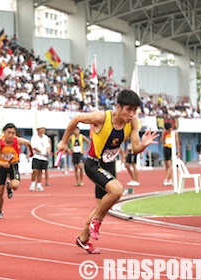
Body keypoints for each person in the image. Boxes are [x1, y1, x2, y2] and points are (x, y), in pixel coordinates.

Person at [57, 89, 159, 254]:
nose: (132, 114)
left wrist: (143, 145)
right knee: (117, 190)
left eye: (135, 110)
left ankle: (83, 238)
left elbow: (135, 148)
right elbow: (76, 118)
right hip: (93, 164)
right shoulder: (102, 117)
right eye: (128, 110)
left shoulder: (132, 123)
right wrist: (63, 142)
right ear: (118, 107)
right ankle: (96, 222)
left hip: (109, 165)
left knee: (101, 206)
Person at [0, 123, 33, 219]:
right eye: (9, 133)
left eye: (13, 133)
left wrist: (31, 152)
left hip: (13, 165)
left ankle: (9, 186)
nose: (11, 135)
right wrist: (3, 164)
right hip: (2, 167)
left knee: (15, 186)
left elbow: (28, 143)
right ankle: (0, 211)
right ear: (4, 132)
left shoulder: (17, 141)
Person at [29, 125, 50, 192]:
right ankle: (32, 184)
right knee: (35, 170)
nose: (43, 130)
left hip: (44, 157)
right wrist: (41, 151)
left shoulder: (46, 137)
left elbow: (48, 146)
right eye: (42, 128)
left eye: (44, 128)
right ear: (38, 129)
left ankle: (39, 185)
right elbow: (33, 146)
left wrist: (48, 151)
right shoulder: (34, 137)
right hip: (37, 156)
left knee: (40, 171)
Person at [160, 122, 180, 186]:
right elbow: (161, 140)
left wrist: (178, 151)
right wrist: (164, 142)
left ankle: (166, 179)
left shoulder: (174, 132)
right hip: (166, 148)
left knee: (169, 164)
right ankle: (170, 179)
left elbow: (177, 142)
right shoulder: (164, 132)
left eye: (169, 130)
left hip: (172, 149)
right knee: (166, 165)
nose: (168, 131)